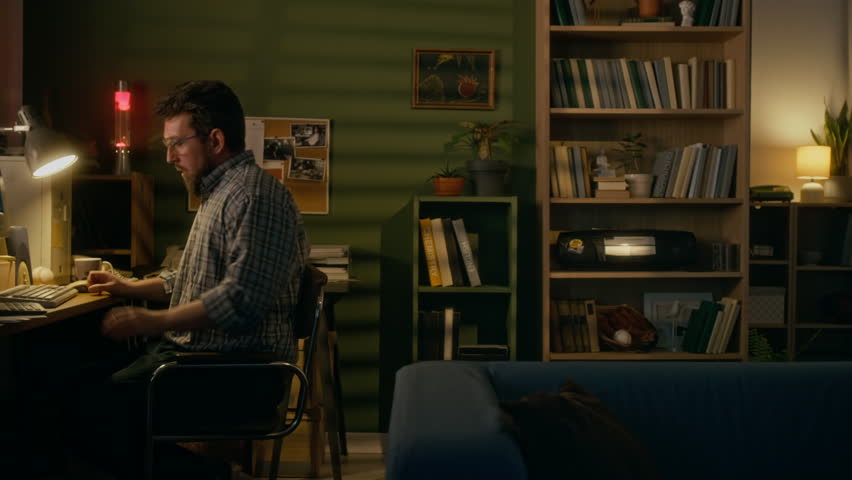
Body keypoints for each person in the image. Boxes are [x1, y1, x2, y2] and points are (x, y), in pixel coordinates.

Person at [70, 80, 309, 479]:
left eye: (177, 144)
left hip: (230, 374)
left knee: (84, 412)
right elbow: (195, 277)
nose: (169, 157)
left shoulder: (253, 196)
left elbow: (241, 300)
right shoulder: (221, 193)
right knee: (79, 379)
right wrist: (129, 288)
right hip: (199, 361)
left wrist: (154, 320)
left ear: (214, 140)